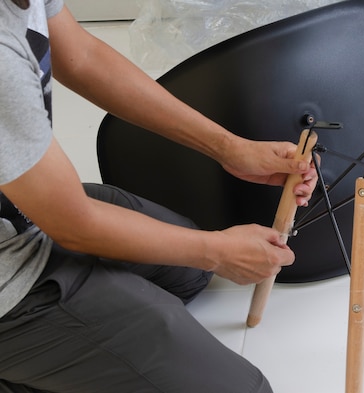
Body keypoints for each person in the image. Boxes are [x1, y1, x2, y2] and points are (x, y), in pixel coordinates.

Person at [0, 0, 318, 391]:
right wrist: (217, 250)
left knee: (189, 274)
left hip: (24, 214)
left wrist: (229, 148)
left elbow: (82, 56)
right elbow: (75, 224)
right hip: (10, 281)